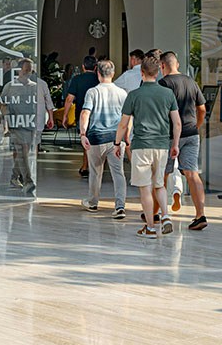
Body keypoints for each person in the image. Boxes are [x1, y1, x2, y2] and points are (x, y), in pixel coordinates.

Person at [115, 53, 181, 239]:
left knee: (145, 188)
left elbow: (123, 123)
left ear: (142, 72)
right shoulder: (168, 94)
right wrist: (175, 144)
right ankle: (165, 216)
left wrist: (117, 142)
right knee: (159, 184)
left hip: (142, 145)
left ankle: (151, 227)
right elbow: (176, 123)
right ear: (159, 71)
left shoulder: (134, 95)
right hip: (162, 145)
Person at [159, 50, 209, 231]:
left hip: (171, 136)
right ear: (177, 64)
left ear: (162, 66)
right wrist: (197, 125)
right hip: (191, 133)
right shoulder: (191, 81)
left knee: (162, 174)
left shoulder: (163, 83)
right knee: (192, 174)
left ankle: (159, 212)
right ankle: (200, 214)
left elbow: (162, 112)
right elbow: (202, 108)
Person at [79, 59, 129, 219]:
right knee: (118, 173)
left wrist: (82, 134)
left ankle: (93, 202)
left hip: (96, 138)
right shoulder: (122, 93)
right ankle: (120, 206)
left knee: (95, 171)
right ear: (113, 74)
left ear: (97, 73)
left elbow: (85, 113)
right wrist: (126, 137)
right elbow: (127, 118)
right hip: (116, 139)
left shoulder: (92, 92)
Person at [0, 57, 53, 196]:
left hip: (30, 124)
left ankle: (14, 176)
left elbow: (41, 104)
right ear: (19, 70)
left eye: (30, 70)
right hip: (16, 124)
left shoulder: (35, 86)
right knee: (22, 150)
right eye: (26, 70)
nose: (28, 72)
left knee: (24, 152)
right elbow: (1, 103)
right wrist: (2, 119)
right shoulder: (10, 86)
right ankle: (28, 181)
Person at [64, 55, 101, 178]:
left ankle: (86, 166)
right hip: (98, 115)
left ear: (83, 67)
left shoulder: (77, 79)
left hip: (82, 114)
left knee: (84, 140)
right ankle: (93, 166)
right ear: (95, 67)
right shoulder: (99, 79)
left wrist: (65, 115)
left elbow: (69, 99)